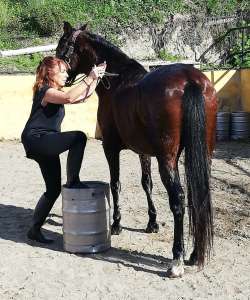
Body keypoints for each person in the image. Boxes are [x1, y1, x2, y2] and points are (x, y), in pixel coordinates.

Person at [21, 56, 106, 244]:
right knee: (79, 137)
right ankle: (73, 181)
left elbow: (80, 97)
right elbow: (69, 97)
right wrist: (89, 76)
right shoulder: (45, 91)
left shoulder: (54, 93)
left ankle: (34, 230)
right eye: (63, 71)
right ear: (50, 72)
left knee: (52, 190)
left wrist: (96, 77)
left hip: (46, 142)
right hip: (37, 139)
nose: (67, 74)